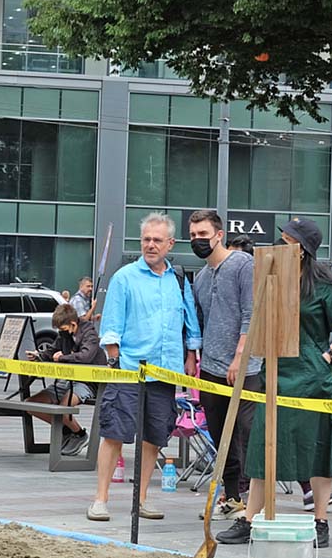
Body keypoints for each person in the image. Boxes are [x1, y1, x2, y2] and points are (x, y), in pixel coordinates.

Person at [217, 217, 332, 548]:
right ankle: (249, 520)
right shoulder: (272, 279)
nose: (280, 246)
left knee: (319, 450)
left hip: (313, 380)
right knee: (262, 449)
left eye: (287, 240)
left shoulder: (323, 286)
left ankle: (320, 521)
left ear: (302, 249)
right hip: (275, 376)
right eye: (280, 239)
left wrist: (328, 355)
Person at [87, 213, 201, 522]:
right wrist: (115, 361)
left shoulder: (179, 280)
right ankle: (100, 499)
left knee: (154, 437)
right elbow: (110, 328)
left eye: (157, 240)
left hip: (165, 372)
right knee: (113, 433)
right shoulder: (124, 278)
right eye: (146, 239)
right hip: (129, 370)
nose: (150, 245)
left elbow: (190, 323)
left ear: (170, 244)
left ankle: (142, 499)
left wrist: (191, 354)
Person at [188, 209, 262, 520]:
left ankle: (252, 497)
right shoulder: (200, 277)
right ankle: (232, 496)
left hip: (246, 367)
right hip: (212, 367)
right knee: (219, 434)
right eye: (192, 236)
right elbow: (200, 321)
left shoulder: (242, 264)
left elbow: (251, 312)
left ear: (219, 235)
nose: (197, 241)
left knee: (245, 430)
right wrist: (193, 356)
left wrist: (240, 356)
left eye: (203, 235)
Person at [24, 303, 105, 456]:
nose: (62, 333)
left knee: (62, 408)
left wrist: (62, 357)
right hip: (66, 380)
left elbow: (86, 357)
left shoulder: (90, 335)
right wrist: (39, 355)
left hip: (87, 382)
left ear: (73, 324)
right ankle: (67, 431)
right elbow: (53, 349)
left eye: (64, 329)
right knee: (31, 404)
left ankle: (79, 434)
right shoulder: (65, 334)